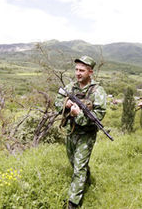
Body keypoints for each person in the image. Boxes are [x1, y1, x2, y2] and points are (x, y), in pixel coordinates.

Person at [55, 56, 107, 208]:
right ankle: (87, 180)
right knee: (74, 162)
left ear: (90, 72)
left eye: (82, 70)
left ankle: (73, 202)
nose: (78, 73)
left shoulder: (98, 91)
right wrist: (67, 104)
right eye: (76, 69)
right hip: (71, 131)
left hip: (86, 134)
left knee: (79, 168)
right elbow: (57, 103)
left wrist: (79, 115)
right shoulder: (69, 87)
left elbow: (99, 115)